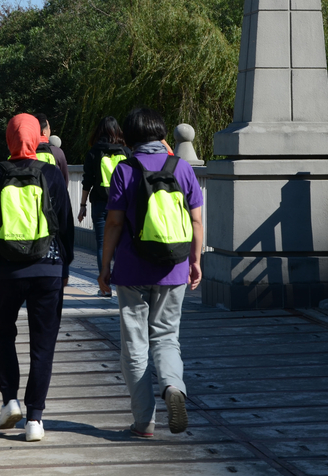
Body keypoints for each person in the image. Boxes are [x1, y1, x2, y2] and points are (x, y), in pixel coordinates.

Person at [97, 107, 203, 438]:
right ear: (161, 134)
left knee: (135, 344)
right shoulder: (182, 167)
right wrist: (195, 261)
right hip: (174, 265)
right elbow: (196, 220)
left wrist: (105, 266)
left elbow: (114, 223)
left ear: (128, 138)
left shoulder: (125, 170)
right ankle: (173, 386)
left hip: (132, 268)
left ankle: (144, 422)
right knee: (167, 337)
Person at [0, 114, 74, 443]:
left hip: (8, 269)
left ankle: (10, 401)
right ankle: (35, 419)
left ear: (9, 138)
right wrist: (65, 266)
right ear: (36, 137)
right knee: (42, 344)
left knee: (3, 333)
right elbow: (65, 225)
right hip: (48, 268)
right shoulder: (51, 172)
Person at [78, 116, 131, 295]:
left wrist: (83, 205)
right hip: (123, 205)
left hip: (101, 204)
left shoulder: (94, 152)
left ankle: (105, 288)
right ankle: (123, 285)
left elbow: (87, 181)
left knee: (102, 244)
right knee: (122, 244)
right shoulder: (126, 152)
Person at [32, 113, 69, 183]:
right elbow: (64, 181)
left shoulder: (22, 151)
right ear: (44, 132)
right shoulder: (57, 152)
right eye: (49, 128)